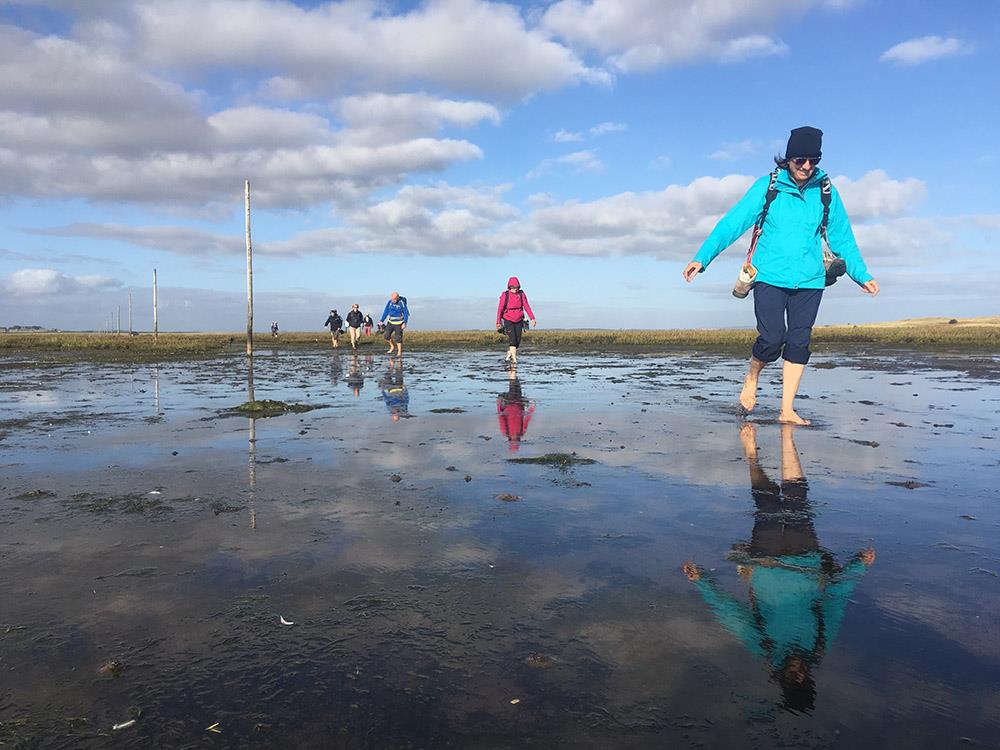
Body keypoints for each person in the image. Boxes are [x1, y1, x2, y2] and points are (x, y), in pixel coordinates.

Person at [682, 127, 879, 425]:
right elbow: (732, 223)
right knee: (773, 339)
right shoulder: (768, 187)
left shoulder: (825, 190)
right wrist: (702, 258)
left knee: (799, 342)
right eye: (800, 159)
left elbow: (842, 238)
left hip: (811, 280)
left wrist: (861, 274)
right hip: (770, 277)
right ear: (788, 158)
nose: (807, 166)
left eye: (814, 160)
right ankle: (752, 374)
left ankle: (786, 409)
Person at [683, 423, 875, 713]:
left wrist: (702, 582)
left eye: (791, 681)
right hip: (806, 559)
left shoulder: (766, 648)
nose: (796, 674)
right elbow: (836, 599)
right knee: (797, 502)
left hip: (765, 561)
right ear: (809, 679)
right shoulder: (819, 645)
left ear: (783, 681)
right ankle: (787, 436)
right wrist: (858, 566)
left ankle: (751, 455)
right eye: (802, 679)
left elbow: (731, 614)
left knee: (768, 507)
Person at [495, 276, 536, 365]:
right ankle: (514, 359)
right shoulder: (505, 295)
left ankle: (510, 353)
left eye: (516, 287)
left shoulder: (521, 294)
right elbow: (500, 309)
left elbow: (526, 306)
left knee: (517, 341)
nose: (515, 289)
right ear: (509, 287)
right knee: (512, 339)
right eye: (513, 287)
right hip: (508, 319)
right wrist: (498, 321)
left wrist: (532, 318)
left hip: (519, 319)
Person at [497, 369, 535, 452]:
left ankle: (512, 368)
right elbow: (526, 420)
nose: (514, 439)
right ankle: (511, 368)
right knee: (516, 383)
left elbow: (501, 418)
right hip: (519, 403)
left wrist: (499, 404)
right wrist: (532, 408)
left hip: (509, 403)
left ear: (509, 440)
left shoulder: (505, 432)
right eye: (516, 441)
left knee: (513, 384)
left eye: (513, 441)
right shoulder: (522, 432)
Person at [379, 292, 409, 357]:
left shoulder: (402, 303)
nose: (393, 300)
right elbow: (386, 311)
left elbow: (406, 313)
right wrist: (381, 320)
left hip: (399, 323)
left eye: (395, 299)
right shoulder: (390, 302)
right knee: (386, 336)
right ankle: (392, 346)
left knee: (398, 338)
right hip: (390, 322)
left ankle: (399, 352)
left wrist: (405, 323)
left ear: (397, 298)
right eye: (392, 298)